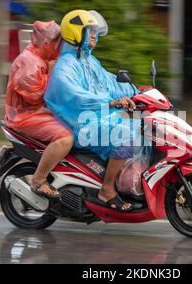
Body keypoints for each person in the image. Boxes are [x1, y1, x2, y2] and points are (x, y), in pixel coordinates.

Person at [45, 10, 141, 211]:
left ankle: (127, 181)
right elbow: (76, 96)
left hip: (99, 117)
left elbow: (110, 83)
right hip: (82, 123)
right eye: (90, 31)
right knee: (124, 135)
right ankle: (106, 190)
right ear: (76, 33)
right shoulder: (66, 66)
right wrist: (110, 102)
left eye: (96, 31)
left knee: (142, 124)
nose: (94, 35)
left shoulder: (89, 61)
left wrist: (137, 90)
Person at [5, 20, 73, 198]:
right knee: (65, 138)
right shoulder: (29, 61)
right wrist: (52, 75)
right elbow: (34, 94)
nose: (59, 47)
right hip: (26, 115)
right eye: (56, 42)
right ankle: (38, 179)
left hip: (39, 111)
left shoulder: (45, 58)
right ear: (46, 42)